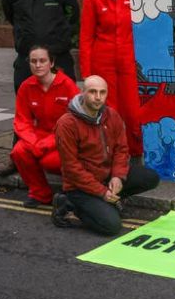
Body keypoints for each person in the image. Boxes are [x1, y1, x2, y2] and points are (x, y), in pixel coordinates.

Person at [0, 0, 79, 177]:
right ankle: (17, 157)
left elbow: (73, 15)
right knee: (23, 109)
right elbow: (10, 15)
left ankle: (73, 155)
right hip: (27, 59)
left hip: (58, 58)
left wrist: (60, 40)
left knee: (69, 108)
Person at [52, 75, 159, 235]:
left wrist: (117, 176)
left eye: (102, 92)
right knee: (111, 226)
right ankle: (69, 204)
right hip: (79, 186)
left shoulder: (112, 115)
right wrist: (102, 192)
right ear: (82, 92)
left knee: (150, 177)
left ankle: (109, 201)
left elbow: (121, 149)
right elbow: (71, 168)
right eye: (92, 92)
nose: (98, 97)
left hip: (106, 176)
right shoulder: (67, 124)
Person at [80, 0, 143, 157]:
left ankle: (136, 154)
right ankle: (113, 155)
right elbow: (86, 37)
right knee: (109, 111)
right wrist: (86, 73)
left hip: (128, 61)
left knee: (133, 111)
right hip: (103, 62)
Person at [10, 45, 80, 208]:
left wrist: (47, 143)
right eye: (33, 61)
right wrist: (33, 142)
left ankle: (72, 192)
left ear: (51, 62)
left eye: (42, 61)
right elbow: (22, 121)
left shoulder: (67, 85)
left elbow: (76, 121)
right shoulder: (26, 87)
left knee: (50, 162)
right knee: (19, 151)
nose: (38, 65)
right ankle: (40, 193)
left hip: (65, 138)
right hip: (39, 136)